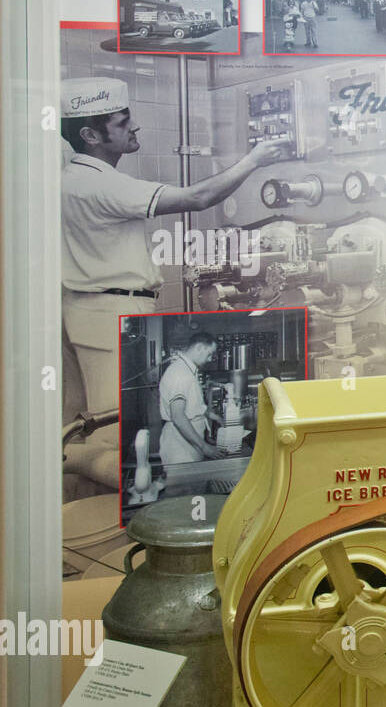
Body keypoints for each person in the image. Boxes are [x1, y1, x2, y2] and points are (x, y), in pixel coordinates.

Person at [60, 78, 291, 485]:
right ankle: (89, 497)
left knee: (94, 426)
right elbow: (197, 198)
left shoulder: (71, 179)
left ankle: (83, 507)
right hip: (110, 312)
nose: (135, 128)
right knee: (114, 437)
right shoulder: (98, 183)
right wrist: (255, 159)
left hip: (89, 310)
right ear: (90, 135)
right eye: (122, 121)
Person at [158, 332, 225, 465]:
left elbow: (191, 404)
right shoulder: (180, 374)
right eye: (209, 353)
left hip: (188, 443)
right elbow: (178, 417)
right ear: (199, 348)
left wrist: (212, 415)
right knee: (185, 484)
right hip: (180, 446)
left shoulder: (186, 370)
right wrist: (205, 448)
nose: (210, 359)